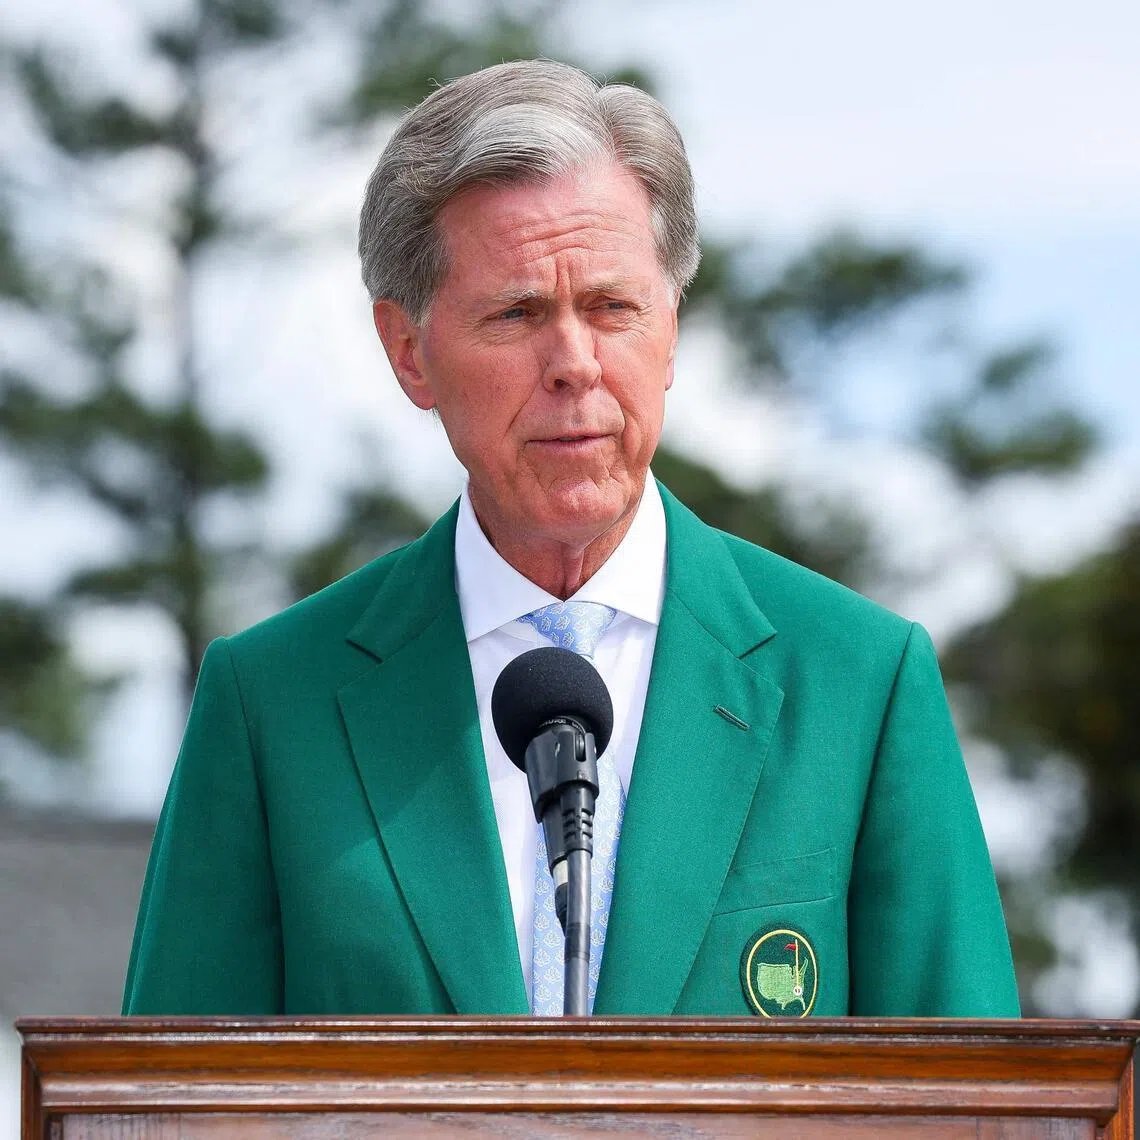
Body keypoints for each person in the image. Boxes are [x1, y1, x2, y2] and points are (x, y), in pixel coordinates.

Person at [123, 59, 1020, 1018]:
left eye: (612, 307)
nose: (575, 364)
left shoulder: (859, 681)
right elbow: (165, 1083)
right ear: (408, 351)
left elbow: (973, 1084)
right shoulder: (271, 704)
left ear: (670, 329)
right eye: (517, 313)